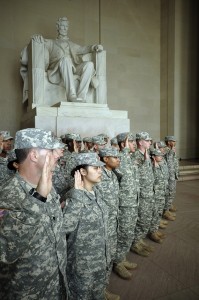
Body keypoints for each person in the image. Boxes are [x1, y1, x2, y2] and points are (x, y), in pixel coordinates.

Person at [0, 128, 68, 299]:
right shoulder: (8, 195)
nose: (57, 155)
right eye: (51, 151)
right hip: (28, 291)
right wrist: (37, 199)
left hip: (54, 281)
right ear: (34, 155)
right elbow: (5, 250)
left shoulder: (48, 185)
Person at [62, 152, 110, 300]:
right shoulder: (73, 198)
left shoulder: (96, 193)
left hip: (100, 260)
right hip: (83, 267)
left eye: (100, 168)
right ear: (82, 171)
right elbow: (64, 227)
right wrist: (76, 195)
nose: (100, 171)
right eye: (95, 168)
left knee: (98, 295)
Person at [32, 16, 103, 102]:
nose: (65, 28)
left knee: (89, 65)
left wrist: (94, 47)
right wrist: (36, 37)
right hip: (58, 69)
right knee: (65, 59)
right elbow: (40, 41)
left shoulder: (72, 44)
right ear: (58, 27)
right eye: (62, 26)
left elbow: (83, 49)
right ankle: (71, 95)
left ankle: (81, 96)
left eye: (66, 26)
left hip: (73, 68)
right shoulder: (51, 43)